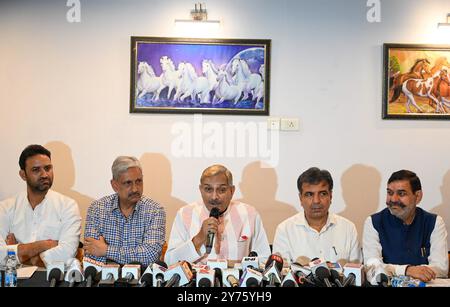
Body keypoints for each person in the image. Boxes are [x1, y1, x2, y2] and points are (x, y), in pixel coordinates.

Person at [165, 164, 271, 265]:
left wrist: (235, 266)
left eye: (222, 190)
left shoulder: (249, 214)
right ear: (201, 190)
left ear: (232, 191)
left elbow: (264, 259)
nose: (214, 197)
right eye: (208, 189)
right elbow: (170, 261)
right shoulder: (185, 214)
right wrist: (199, 238)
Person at [0, 144, 81, 267]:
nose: (44, 175)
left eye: (48, 168)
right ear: (23, 175)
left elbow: (66, 255)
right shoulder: (6, 208)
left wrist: (17, 251)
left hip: (52, 282)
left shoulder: (67, 206)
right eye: (36, 170)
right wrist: (44, 245)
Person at [363, 170, 448, 282]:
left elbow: (441, 269)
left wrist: (390, 269)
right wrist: (407, 270)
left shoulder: (435, 222)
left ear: (417, 196)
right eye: (390, 193)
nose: (393, 199)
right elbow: (372, 268)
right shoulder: (373, 222)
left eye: (401, 193)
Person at [83, 156, 165, 266]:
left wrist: (106, 250)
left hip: (142, 281)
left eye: (139, 181)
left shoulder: (155, 211)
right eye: (128, 183)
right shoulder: (97, 209)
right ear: (114, 185)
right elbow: (91, 255)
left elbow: (150, 256)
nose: (135, 189)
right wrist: (135, 255)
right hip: (104, 280)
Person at [273, 167, 361, 266]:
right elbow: (282, 274)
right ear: (300, 198)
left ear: (330, 196)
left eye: (322, 194)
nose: (316, 201)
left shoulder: (348, 229)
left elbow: (356, 273)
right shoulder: (285, 230)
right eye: (309, 194)